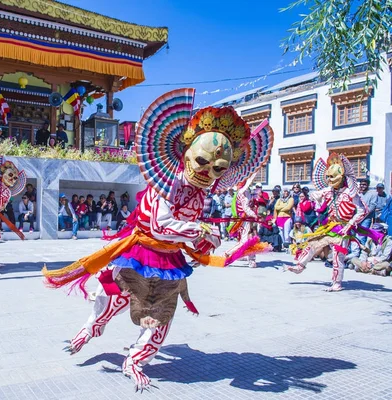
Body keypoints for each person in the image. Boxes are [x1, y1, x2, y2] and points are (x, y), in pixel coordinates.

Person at [43, 93, 274, 392]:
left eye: (218, 168)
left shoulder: (200, 195)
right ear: (187, 153)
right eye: (203, 162)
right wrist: (197, 230)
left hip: (170, 263)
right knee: (114, 301)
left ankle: (135, 361)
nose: (208, 173)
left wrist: (210, 238)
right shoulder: (165, 183)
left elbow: (192, 237)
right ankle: (90, 329)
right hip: (140, 254)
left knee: (161, 321)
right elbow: (160, 225)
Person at [287, 153, 369, 292]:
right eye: (328, 177)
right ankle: (300, 265)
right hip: (330, 226)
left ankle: (337, 283)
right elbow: (315, 196)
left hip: (343, 228)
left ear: (341, 177)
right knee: (313, 243)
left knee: (338, 256)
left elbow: (363, 210)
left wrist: (350, 225)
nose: (330, 180)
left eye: (333, 177)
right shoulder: (328, 191)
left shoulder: (351, 193)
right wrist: (317, 199)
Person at [358, 178, 377, 243]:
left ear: (368, 185)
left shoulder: (373, 194)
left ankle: (363, 252)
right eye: (361, 184)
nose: (362, 186)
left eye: (364, 184)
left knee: (362, 235)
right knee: (354, 235)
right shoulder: (358, 194)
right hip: (357, 218)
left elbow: (372, 207)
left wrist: (363, 214)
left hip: (366, 218)